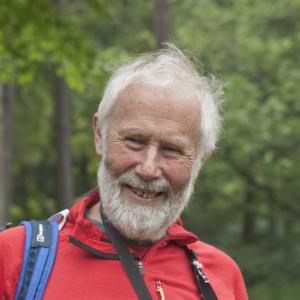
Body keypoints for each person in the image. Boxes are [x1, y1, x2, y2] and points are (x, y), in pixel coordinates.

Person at [0, 44, 248, 299]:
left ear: (200, 162)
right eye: (134, 141)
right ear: (99, 135)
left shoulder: (222, 276)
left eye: (172, 150)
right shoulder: (14, 259)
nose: (149, 169)